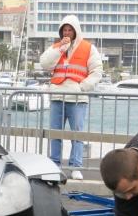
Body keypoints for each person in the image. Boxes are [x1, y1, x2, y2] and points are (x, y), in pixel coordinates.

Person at [38, 14, 103, 180]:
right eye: (64, 30)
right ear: (61, 32)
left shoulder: (89, 48)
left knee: (77, 134)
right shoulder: (56, 47)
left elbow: (97, 71)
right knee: (55, 133)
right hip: (57, 95)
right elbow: (45, 64)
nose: (67, 33)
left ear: (76, 31)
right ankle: (55, 165)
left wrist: (83, 88)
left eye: (70, 30)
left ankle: (76, 166)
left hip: (77, 98)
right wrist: (60, 48)